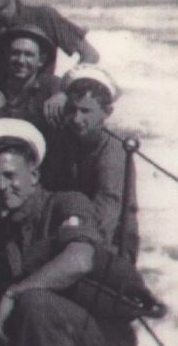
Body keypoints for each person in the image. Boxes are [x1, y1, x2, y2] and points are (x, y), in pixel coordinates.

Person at [0, 118, 132, 346]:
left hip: (99, 334)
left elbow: (80, 260)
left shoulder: (67, 203)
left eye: (10, 176)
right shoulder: (1, 229)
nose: (2, 186)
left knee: (33, 303)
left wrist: (13, 293)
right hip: (44, 334)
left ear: (33, 175)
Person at [49, 65, 139, 262]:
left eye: (86, 111)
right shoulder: (66, 140)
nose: (76, 118)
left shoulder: (114, 151)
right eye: (71, 110)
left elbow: (106, 215)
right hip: (73, 230)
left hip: (112, 245)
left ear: (106, 113)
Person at [0, 25, 61, 131]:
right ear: (7, 55)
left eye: (28, 55)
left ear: (41, 60)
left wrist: (62, 95)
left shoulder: (51, 87)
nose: (20, 60)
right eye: (15, 53)